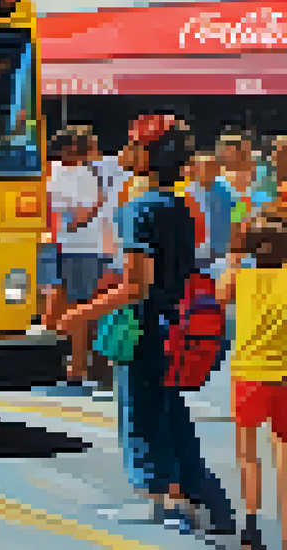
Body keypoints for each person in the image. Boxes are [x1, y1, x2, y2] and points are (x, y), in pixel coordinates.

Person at [54, 115, 235, 536]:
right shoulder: (183, 206)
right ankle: (204, 500)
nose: (125, 151)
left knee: (141, 414)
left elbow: (136, 286)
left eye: (133, 145)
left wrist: (81, 313)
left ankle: (167, 505)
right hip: (178, 323)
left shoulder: (139, 211)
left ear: (149, 155)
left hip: (144, 328)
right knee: (170, 413)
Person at [220, 135, 287, 550]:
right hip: (283, 373)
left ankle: (250, 526)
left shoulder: (239, 279)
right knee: (284, 456)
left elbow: (222, 288)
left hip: (246, 373)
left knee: (248, 455)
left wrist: (235, 250)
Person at [45, 129, 105, 389]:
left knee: (79, 306)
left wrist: (62, 220)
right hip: (57, 247)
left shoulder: (87, 175)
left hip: (82, 248)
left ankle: (78, 367)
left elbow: (85, 213)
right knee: (55, 305)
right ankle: (60, 362)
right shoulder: (53, 170)